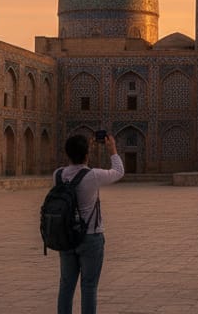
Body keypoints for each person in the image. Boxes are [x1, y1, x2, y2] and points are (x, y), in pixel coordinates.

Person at [55, 132, 124, 314]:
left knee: (66, 285)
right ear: (87, 155)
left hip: (66, 236)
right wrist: (112, 150)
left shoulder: (58, 175)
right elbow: (119, 171)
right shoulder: (92, 176)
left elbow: (73, 170)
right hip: (90, 236)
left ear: (66, 154)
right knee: (89, 286)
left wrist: (86, 149)